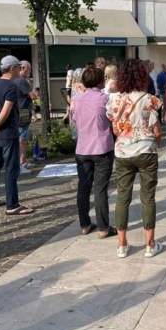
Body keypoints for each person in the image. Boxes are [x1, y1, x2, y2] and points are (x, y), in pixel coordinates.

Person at [106, 59, 163, 259]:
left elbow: (115, 130)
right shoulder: (150, 99)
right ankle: (150, 244)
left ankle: (122, 244)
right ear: (142, 76)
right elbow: (157, 132)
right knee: (148, 198)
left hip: (123, 151)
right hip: (146, 150)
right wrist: (150, 138)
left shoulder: (115, 100)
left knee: (122, 197)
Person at [0, 55, 34, 215]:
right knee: (12, 169)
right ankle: (12, 205)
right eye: (18, 67)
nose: (20, 70)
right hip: (8, 133)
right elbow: (5, 111)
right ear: (13, 68)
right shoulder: (11, 87)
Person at [72, 67, 116, 238]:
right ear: (100, 81)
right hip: (102, 146)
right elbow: (112, 119)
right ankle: (103, 228)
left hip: (83, 147)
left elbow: (75, 120)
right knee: (100, 189)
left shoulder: (78, 99)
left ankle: (84, 224)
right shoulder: (104, 98)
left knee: (83, 187)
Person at [15, 61, 37, 174]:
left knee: (23, 137)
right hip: (23, 112)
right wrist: (33, 92)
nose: (30, 72)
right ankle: (20, 163)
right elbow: (33, 96)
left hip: (21, 110)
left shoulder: (17, 80)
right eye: (29, 69)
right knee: (22, 139)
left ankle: (23, 160)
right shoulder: (22, 80)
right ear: (23, 68)